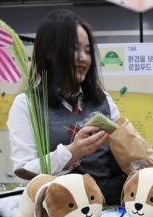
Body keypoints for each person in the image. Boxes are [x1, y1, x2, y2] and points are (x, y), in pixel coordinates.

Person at [7, 9, 126, 205]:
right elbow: (24, 172)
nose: (83, 58)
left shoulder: (103, 99)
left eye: (87, 51)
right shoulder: (26, 104)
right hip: (62, 213)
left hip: (111, 208)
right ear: (49, 52)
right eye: (74, 49)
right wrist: (72, 152)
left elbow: (123, 148)